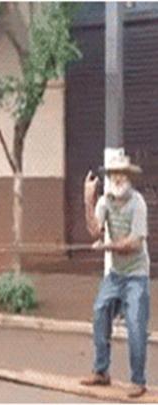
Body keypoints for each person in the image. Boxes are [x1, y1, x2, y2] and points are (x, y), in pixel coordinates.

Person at [80, 153, 150, 398]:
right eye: (114, 174)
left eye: (123, 174)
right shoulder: (105, 202)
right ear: (109, 178)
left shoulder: (138, 203)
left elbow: (134, 243)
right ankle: (101, 372)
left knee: (135, 324)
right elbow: (94, 231)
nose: (118, 178)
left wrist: (106, 247)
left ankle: (138, 381)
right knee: (100, 311)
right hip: (116, 274)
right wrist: (88, 200)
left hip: (136, 275)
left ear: (129, 177)